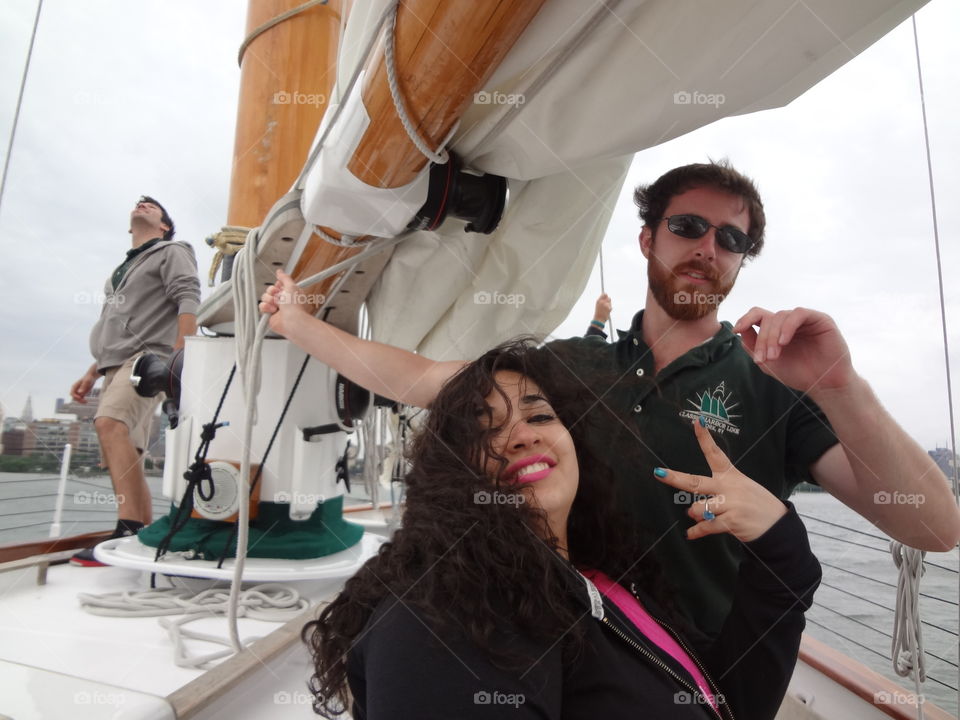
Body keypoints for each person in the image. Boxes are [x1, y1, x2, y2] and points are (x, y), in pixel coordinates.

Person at [260, 161, 960, 637]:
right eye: (688, 226)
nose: (709, 247)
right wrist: (295, 323)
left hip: (696, 682)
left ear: (742, 260)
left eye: (733, 238)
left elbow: (933, 528)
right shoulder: (568, 366)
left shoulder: (776, 385)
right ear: (648, 238)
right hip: (565, 653)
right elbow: (418, 377)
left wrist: (842, 387)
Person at [303, 341, 821, 720]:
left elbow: (730, 704)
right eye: (485, 430)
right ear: (448, 474)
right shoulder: (445, 618)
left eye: (540, 416)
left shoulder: (603, 586)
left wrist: (777, 544)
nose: (522, 437)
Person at [69, 196, 200, 566]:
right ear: (130, 226)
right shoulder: (120, 272)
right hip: (113, 364)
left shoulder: (172, 250)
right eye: (138, 203)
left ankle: (125, 528)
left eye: (152, 205)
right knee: (129, 449)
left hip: (149, 358)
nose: (142, 204)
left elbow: (188, 296)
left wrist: (180, 355)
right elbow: (115, 326)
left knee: (109, 423)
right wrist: (91, 372)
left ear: (164, 226)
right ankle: (140, 534)